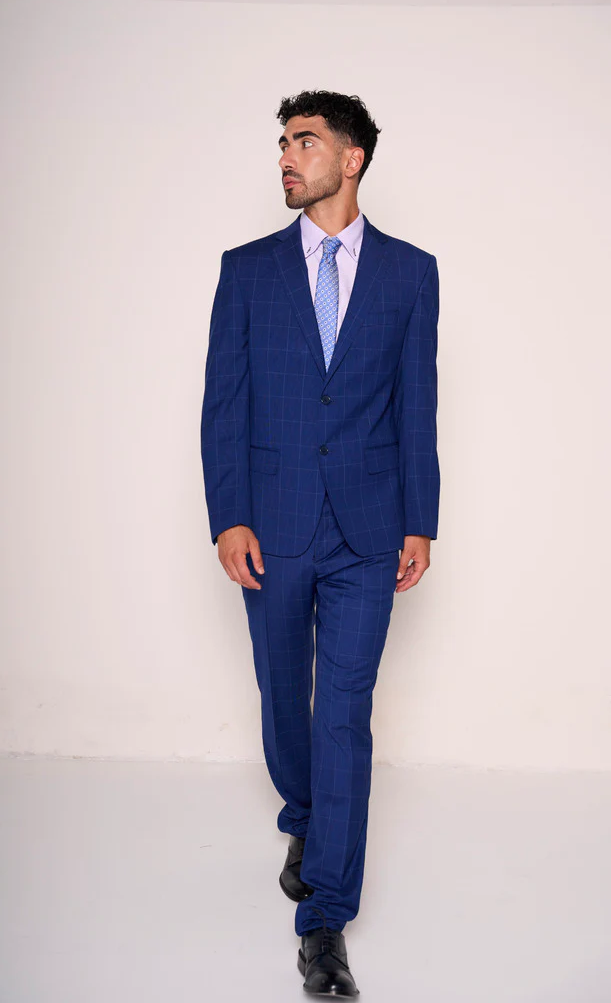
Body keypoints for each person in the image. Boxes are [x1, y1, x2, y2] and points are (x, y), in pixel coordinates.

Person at [200, 89, 440, 997]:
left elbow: (416, 403)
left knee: (343, 711)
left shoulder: (410, 272)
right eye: (282, 143)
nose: (285, 157)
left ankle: (325, 920)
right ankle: (301, 810)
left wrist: (420, 518)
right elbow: (223, 403)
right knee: (282, 694)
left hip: (369, 528)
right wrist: (229, 515)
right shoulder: (247, 270)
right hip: (272, 522)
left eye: (303, 141)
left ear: (352, 158)